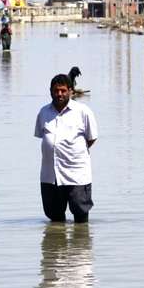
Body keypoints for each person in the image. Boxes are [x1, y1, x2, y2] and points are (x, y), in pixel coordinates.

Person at [34, 73, 98, 223]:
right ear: (50, 91)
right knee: (55, 219)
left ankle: (79, 246)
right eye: (56, 91)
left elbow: (92, 138)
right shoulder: (44, 112)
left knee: (80, 217)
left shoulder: (83, 112)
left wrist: (74, 152)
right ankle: (57, 245)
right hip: (50, 176)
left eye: (63, 90)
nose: (59, 94)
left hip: (76, 174)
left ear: (70, 91)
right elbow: (41, 136)